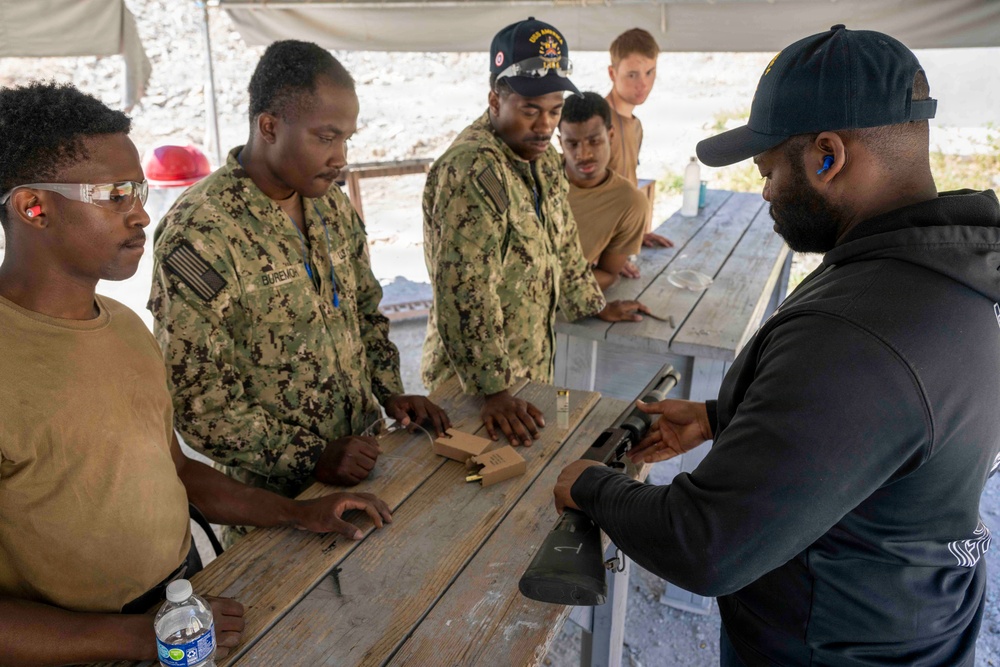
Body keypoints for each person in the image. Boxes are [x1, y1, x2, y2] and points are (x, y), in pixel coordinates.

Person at [554, 25, 1000, 666]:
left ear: (827, 156)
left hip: (827, 649)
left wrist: (592, 486)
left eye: (768, 171)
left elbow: (707, 545)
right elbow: (866, 438)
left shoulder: (859, 337)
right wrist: (720, 419)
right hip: (903, 615)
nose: (763, 192)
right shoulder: (937, 276)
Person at [0, 82, 393, 666]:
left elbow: (178, 472)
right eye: (113, 195)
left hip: (179, 615)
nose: (141, 212)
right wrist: (134, 639)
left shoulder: (125, 328)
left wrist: (296, 512)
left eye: (138, 190)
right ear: (35, 207)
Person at [150, 41, 450, 512]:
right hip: (280, 504)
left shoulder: (329, 203)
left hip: (369, 466)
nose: (340, 157)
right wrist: (310, 456)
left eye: (346, 139)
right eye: (326, 138)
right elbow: (198, 402)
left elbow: (364, 312)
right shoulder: (201, 232)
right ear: (269, 126)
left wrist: (392, 391)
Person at [422, 17, 649, 448]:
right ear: (495, 99)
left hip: (525, 370)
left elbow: (561, 243)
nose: (545, 125)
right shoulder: (473, 169)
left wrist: (590, 302)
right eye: (529, 111)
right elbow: (464, 290)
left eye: (554, 110)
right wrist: (493, 390)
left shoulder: (539, 156)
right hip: (474, 387)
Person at [560, 92, 652, 289]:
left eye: (594, 141)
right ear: (560, 142)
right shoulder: (536, 175)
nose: (583, 154)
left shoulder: (630, 203)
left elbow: (608, 273)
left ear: (610, 135)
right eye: (572, 144)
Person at [606, 27, 672, 251]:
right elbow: (581, 195)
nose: (643, 83)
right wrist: (606, 251)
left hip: (624, 242)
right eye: (632, 74)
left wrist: (637, 232)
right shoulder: (596, 120)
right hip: (599, 249)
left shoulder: (636, 126)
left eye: (650, 72)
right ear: (612, 73)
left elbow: (626, 181)